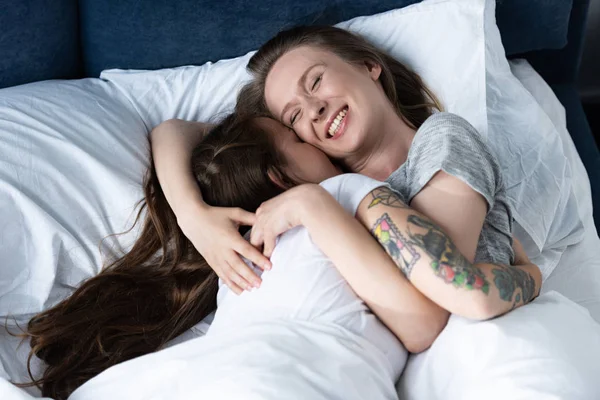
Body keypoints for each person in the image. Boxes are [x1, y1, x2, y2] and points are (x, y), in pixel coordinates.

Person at [20, 113, 538, 399]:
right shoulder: (341, 195)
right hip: (278, 378)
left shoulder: (237, 255)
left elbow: (175, 128)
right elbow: (425, 323)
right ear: (276, 175)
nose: (309, 131)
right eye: (292, 133)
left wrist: (195, 214)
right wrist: (531, 272)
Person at [152, 25, 539, 313]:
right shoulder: (325, 187)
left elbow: (438, 295)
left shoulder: (443, 138)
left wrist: (531, 277)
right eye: (294, 115)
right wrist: (194, 216)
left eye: (316, 81)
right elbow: (174, 130)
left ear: (369, 66)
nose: (315, 107)